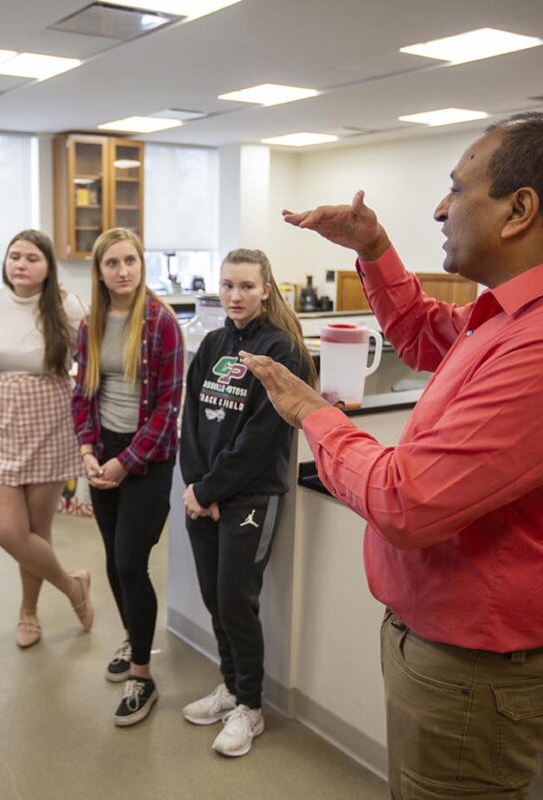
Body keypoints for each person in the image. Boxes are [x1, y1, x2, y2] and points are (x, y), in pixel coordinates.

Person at [240, 112, 543, 797]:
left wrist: (313, 414)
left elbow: (406, 501)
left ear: (520, 209)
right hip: (441, 647)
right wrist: (374, 247)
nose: (440, 208)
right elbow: (423, 334)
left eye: (457, 190)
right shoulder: (508, 316)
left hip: (475, 670)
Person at [179, 249, 314, 757]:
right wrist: (196, 489)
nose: (235, 296)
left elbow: (261, 440)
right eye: (228, 285)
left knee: (238, 603)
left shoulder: (282, 352)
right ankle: (231, 687)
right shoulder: (213, 343)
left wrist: (211, 490)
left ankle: (251, 709)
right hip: (205, 496)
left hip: (251, 497)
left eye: (246, 286)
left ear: (265, 289)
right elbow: (191, 419)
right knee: (215, 599)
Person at [0, 229, 92, 647]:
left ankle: (28, 612)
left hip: (49, 428)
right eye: (14, 256)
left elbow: (88, 366)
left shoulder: (68, 307)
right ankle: (72, 587)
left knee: (37, 529)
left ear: (48, 266)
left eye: (32, 258)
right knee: (9, 532)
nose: (21, 264)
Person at [72, 228, 184, 726]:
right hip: (106, 452)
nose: (123, 270)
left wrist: (125, 463)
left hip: (148, 457)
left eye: (130, 261)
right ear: (99, 271)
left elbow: (166, 410)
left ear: (142, 265)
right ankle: (133, 634)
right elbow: (83, 393)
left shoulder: (161, 325)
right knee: (115, 564)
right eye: (112, 263)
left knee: (130, 562)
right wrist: (89, 448)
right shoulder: (91, 324)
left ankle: (142, 673)